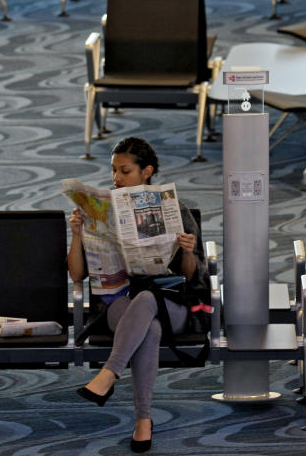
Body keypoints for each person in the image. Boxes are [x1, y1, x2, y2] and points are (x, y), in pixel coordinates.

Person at [68, 137, 210, 453]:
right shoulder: (99, 212)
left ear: (147, 172)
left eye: (125, 171)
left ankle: (108, 375)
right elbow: (77, 275)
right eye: (113, 170)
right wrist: (77, 235)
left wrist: (187, 251)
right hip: (119, 304)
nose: (116, 179)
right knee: (148, 324)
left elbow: (190, 276)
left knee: (147, 301)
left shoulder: (178, 211)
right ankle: (143, 420)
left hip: (170, 303)